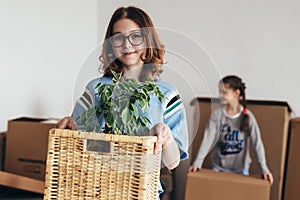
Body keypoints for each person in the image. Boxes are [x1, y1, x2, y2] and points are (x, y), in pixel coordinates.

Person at [56, 6, 189, 198]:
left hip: (142, 191)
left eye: (135, 36)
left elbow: (173, 162)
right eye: (118, 38)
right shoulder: (95, 89)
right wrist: (69, 126)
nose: (127, 45)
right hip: (94, 189)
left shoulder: (166, 94)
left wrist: (166, 137)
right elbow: (78, 143)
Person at [189, 75, 273, 185]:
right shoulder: (217, 115)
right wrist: (197, 162)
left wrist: (264, 169)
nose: (220, 96)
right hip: (219, 168)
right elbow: (208, 139)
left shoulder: (248, 117)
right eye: (220, 92)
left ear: (236, 93)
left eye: (224, 92)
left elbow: (257, 144)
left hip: (241, 170)